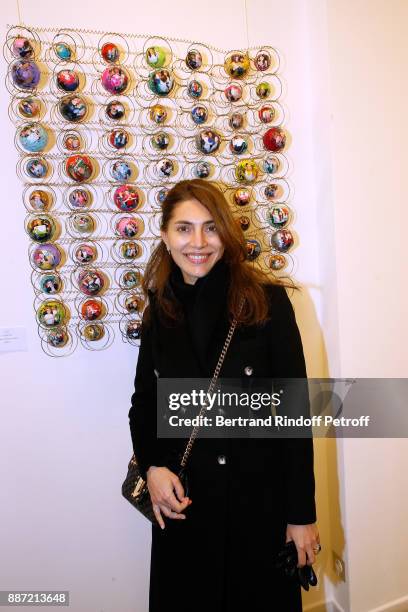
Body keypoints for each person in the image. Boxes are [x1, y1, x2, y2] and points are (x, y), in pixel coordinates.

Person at [128, 178, 319, 612]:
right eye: (184, 228)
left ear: (227, 235)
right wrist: (153, 466)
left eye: (211, 228)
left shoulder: (267, 303)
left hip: (258, 508)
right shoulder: (160, 311)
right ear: (165, 235)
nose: (198, 242)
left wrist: (301, 515)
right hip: (184, 508)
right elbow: (143, 405)